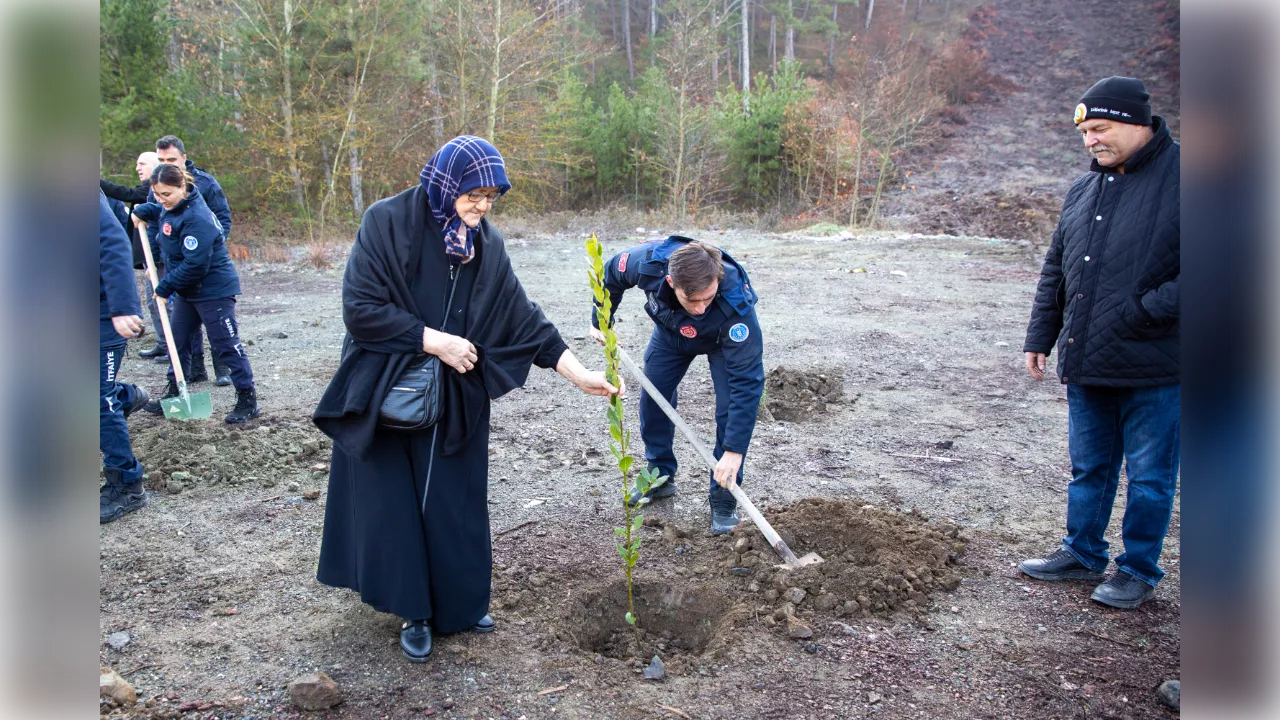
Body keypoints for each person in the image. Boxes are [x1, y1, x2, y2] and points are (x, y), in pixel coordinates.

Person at [313, 136, 619, 663]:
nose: (481, 206)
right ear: (446, 183)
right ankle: (414, 611)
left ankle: (458, 604)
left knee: (455, 501)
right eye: (473, 194)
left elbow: (523, 317)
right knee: (397, 503)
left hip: (455, 389)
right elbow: (360, 308)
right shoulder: (387, 222)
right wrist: (434, 340)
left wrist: (577, 373)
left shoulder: (486, 244)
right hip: (388, 383)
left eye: (491, 197)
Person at [1019, 77, 1180, 610]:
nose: (1091, 141)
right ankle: (1081, 551)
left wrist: (1143, 312)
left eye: (1101, 129)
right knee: (1089, 466)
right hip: (1089, 358)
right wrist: (1042, 333)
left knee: (1150, 478)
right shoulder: (1085, 187)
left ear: (1138, 122)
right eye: (1086, 132)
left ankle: (1137, 570)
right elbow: (1056, 269)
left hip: (1158, 363)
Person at [590, 236, 765, 535]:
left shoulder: (737, 306)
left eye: (707, 299)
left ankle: (723, 497)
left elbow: (746, 385)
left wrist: (734, 450)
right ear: (670, 282)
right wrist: (601, 321)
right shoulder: (649, 262)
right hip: (671, 336)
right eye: (692, 300)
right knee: (654, 398)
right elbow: (610, 274)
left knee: (727, 409)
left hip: (721, 342)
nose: (700, 308)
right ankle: (659, 475)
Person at [131, 163, 261, 424]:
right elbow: (165, 215)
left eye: (166, 194)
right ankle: (175, 393)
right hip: (189, 291)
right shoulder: (173, 207)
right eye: (157, 194)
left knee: (225, 344)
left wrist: (165, 286)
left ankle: (248, 399)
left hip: (213, 289)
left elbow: (196, 264)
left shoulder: (197, 218)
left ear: (182, 187)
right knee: (176, 340)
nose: (161, 199)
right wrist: (147, 209)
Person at [99, 190, 150, 523]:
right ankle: (125, 396)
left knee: (92, 398)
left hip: (100, 314)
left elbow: (113, 242)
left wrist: (122, 308)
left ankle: (127, 483)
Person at [101, 151, 169, 359]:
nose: (138, 168)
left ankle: (176, 348)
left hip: (166, 257)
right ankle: (162, 342)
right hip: (150, 257)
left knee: (168, 304)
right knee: (152, 302)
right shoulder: (147, 191)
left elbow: (128, 194)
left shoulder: (160, 188)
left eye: (142, 164)